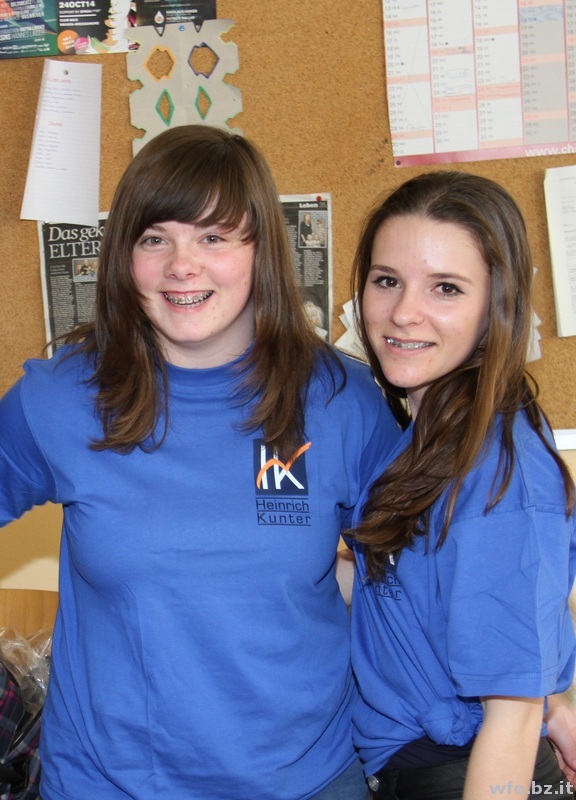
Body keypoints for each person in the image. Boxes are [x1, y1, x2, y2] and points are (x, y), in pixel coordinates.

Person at [0, 125, 401, 800]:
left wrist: (527, 697)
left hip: (308, 779)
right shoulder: (62, 398)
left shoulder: (342, 401)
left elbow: (419, 581)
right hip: (110, 785)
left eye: (214, 237)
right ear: (124, 255)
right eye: (154, 238)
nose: (181, 266)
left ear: (261, 249)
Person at [346, 171, 576, 798]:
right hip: (418, 761)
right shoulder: (425, 434)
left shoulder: (501, 470)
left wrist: (539, 703)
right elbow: (402, 590)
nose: (403, 312)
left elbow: (512, 713)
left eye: (445, 288)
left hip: (471, 770)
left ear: (495, 306)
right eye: (386, 280)